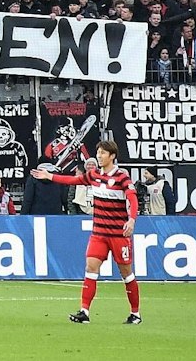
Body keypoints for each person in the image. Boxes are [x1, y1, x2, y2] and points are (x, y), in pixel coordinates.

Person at [33, 138, 141, 325]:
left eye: (102, 153)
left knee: (126, 273)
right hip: (99, 233)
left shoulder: (122, 178)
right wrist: (50, 176)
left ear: (112, 156)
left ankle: (135, 314)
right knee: (90, 268)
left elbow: (132, 198)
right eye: (98, 152)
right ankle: (84, 311)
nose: (98, 156)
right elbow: (73, 180)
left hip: (118, 235)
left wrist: (131, 220)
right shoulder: (93, 175)